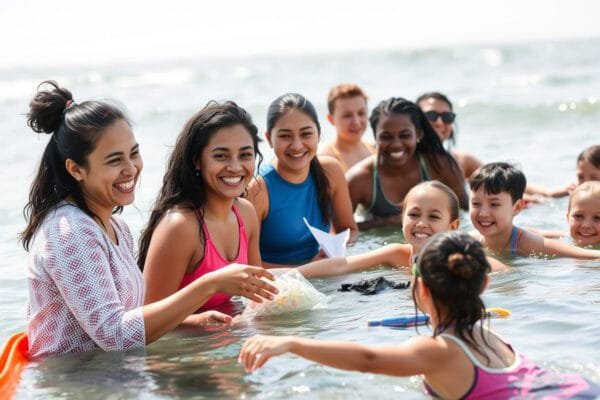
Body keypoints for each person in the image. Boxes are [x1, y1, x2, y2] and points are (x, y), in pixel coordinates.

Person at [21, 81, 277, 358]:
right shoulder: (70, 231)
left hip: (114, 376)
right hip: (75, 384)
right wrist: (210, 285)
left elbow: (131, 316)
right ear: (76, 169)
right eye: (114, 160)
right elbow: (115, 336)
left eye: (134, 153)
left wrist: (188, 322)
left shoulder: (114, 225)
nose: (131, 169)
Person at [239, 232, 600, 399]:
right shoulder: (490, 336)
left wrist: (290, 342)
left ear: (421, 290)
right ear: (484, 284)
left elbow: (368, 359)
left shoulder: (439, 350)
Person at [139, 101, 269, 321]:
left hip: (223, 343)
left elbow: (259, 294)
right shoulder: (180, 226)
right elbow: (144, 323)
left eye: (245, 155)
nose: (235, 167)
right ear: (197, 161)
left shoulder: (246, 213)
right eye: (221, 156)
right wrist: (198, 321)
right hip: (184, 351)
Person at [296, 180, 507, 278]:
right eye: (413, 215)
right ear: (402, 219)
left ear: (452, 227)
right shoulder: (396, 254)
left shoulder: (457, 259)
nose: (421, 223)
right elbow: (341, 266)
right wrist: (287, 274)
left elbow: (503, 272)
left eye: (433, 216)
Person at [246, 93, 358, 268]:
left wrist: (334, 250)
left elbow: (349, 231)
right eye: (285, 136)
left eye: (306, 134)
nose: (297, 145)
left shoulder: (331, 171)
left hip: (321, 272)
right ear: (268, 139)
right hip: (280, 284)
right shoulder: (258, 188)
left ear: (319, 134)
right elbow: (245, 265)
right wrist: (307, 269)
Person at [346, 97, 467, 230]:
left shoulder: (441, 166)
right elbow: (342, 231)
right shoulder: (359, 179)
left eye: (405, 135)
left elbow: (464, 216)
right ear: (375, 136)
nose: (396, 144)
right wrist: (385, 223)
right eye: (386, 137)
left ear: (418, 133)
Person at [469, 162, 600, 258]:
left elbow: (587, 254)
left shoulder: (529, 243)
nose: (483, 213)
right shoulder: (469, 241)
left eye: (494, 204)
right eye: (475, 203)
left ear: (517, 207)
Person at [416, 92, 482, 179]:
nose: (439, 122)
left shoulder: (463, 162)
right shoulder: (404, 163)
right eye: (431, 115)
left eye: (446, 117)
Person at [317, 83, 375, 172]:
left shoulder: (376, 151)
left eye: (361, 113)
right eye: (347, 115)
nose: (356, 121)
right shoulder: (323, 158)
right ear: (331, 119)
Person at [567, 181, 600, 246]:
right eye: (579, 216)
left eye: (598, 217)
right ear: (568, 218)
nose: (586, 225)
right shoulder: (564, 238)